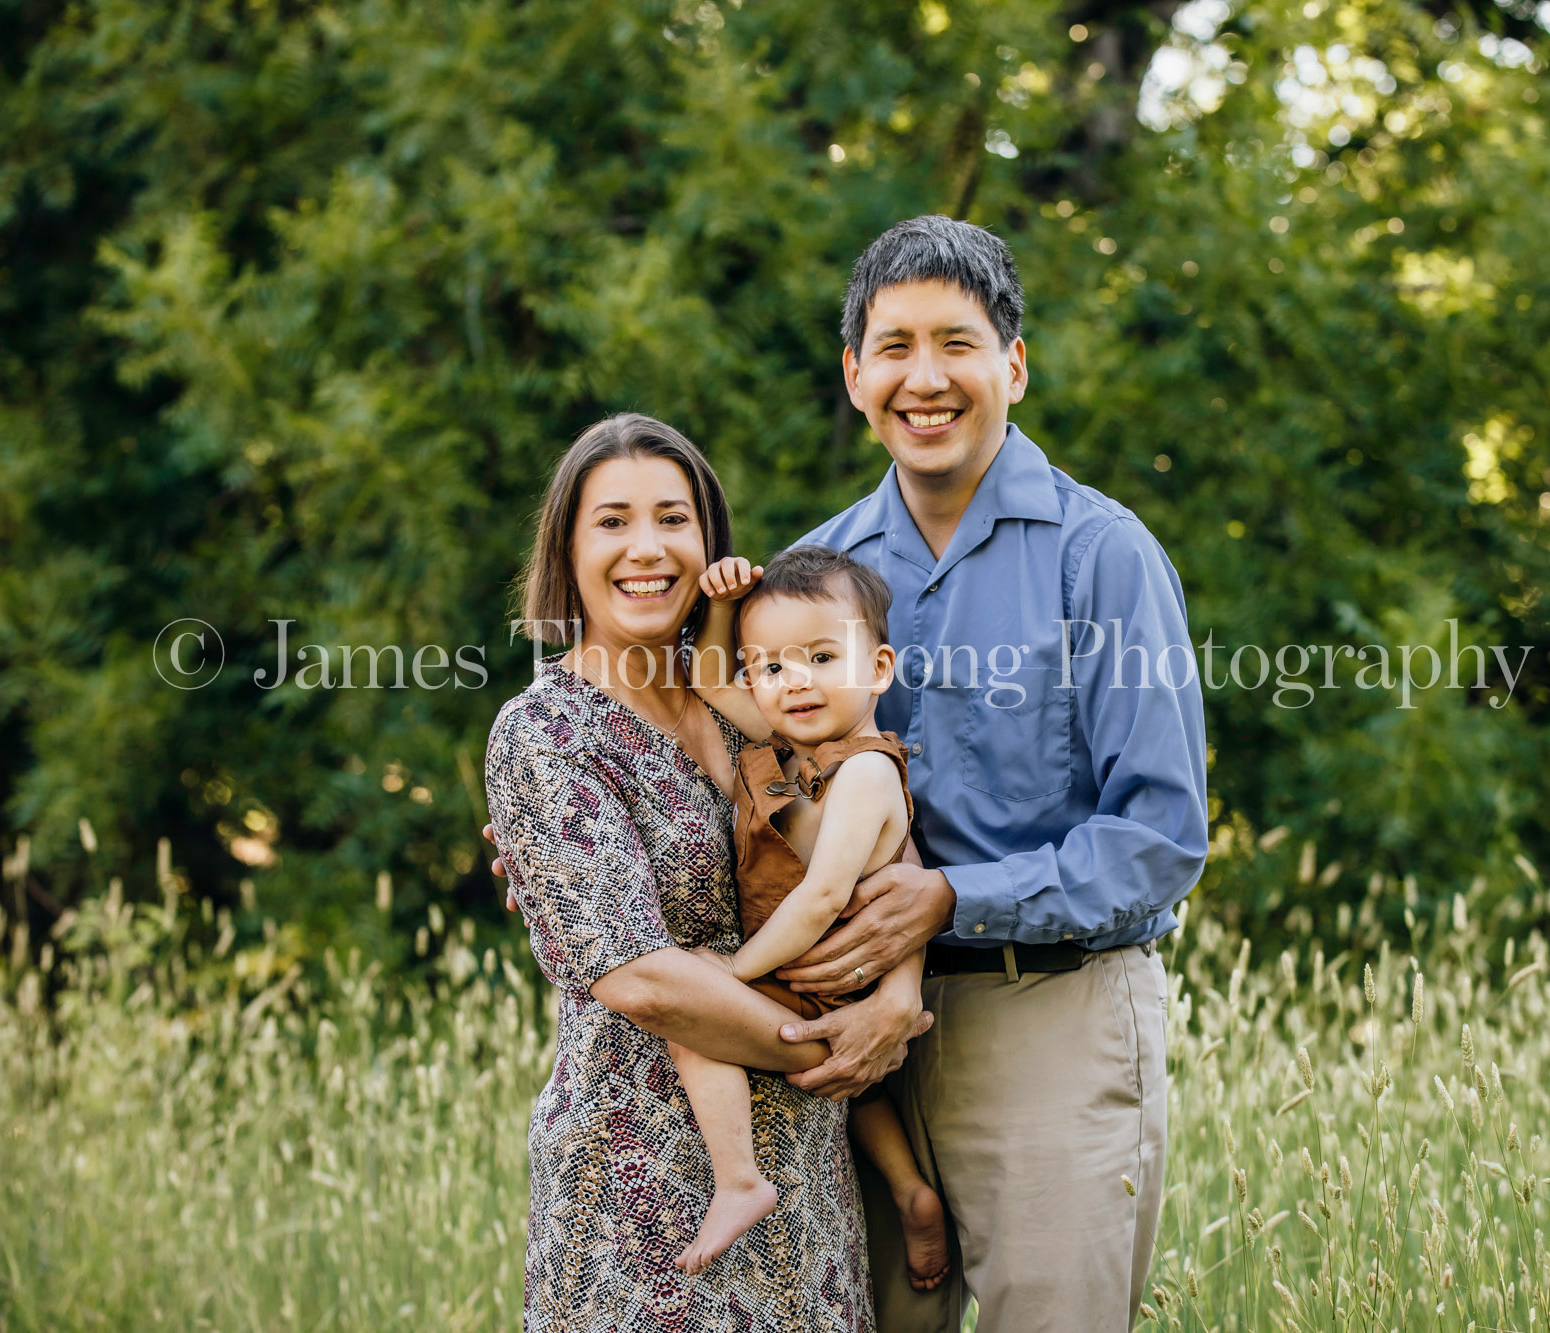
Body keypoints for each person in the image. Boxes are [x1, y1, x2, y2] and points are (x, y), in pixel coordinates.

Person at [774, 214, 1210, 1332]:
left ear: (1012, 364)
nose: (925, 378)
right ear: (853, 375)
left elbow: (1158, 838)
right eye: (894, 346)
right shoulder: (810, 582)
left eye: (956, 343)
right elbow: (729, 776)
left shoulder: (1100, 554)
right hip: (850, 1050)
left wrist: (952, 898)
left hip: (1047, 1013)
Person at [480, 413, 927, 1332]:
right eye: (611, 521)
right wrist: (842, 1049)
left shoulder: (755, 698)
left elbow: (874, 843)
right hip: (644, 1184)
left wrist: (896, 994)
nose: (645, 547)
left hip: (805, 1173)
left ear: (709, 543)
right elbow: (639, 975)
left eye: (672, 518)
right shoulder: (543, 734)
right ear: (566, 544)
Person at [662, 544, 949, 1285]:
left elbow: (823, 897)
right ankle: (912, 1192)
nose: (796, 682)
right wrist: (722, 604)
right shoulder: (781, 745)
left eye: (822, 657)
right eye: (774, 667)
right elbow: (706, 674)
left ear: (878, 668)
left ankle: (739, 1179)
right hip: (816, 975)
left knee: (691, 1013)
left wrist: (735, 972)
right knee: (864, 1097)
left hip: (819, 967)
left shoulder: (864, 772)